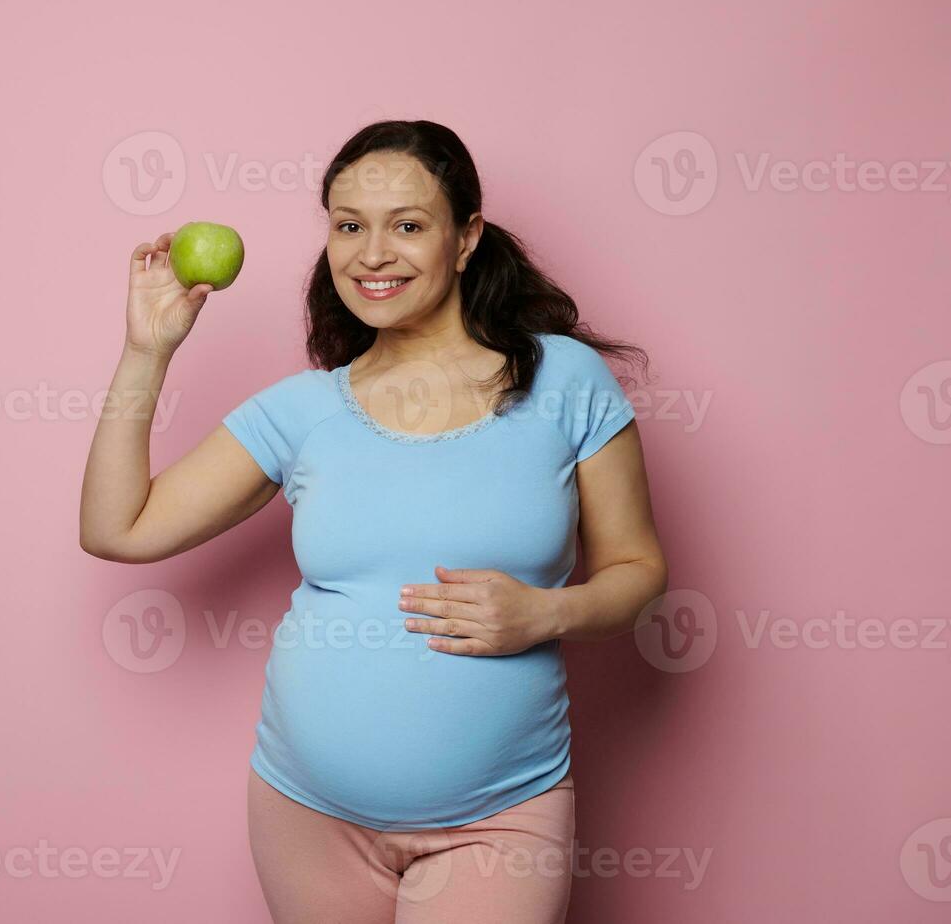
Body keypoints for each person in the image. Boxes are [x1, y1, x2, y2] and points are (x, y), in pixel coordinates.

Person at [79, 119, 668, 923]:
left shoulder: (563, 378)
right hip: (305, 815)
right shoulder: (303, 410)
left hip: (498, 815)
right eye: (349, 225)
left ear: (465, 239)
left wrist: (546, 611)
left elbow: (637, 570)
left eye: (408, 225)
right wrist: (146, 353)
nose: (372, 253)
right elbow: (118, 529)